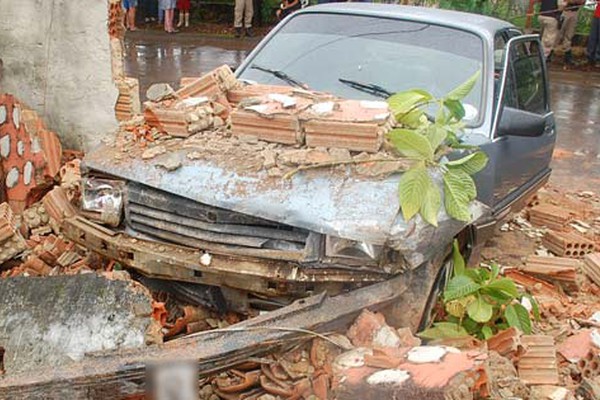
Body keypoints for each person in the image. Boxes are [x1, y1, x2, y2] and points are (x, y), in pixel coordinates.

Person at [557, 0, 585, 65]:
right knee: (558, 33)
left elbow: (582, 1)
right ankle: (548, 53)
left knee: (569, 34)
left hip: (574, 12)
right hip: (564, 11)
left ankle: (567, 55)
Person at [589, 0, 600, 66]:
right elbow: (591, 3)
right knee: (592, 37)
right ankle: (590, 57)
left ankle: (598, 58)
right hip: (596, 16)